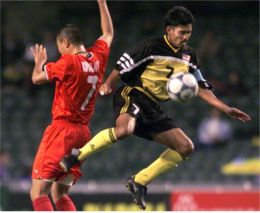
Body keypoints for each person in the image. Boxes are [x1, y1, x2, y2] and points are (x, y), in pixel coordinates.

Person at [60, 6, 251, 210]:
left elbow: (200, 87)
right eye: (182, 32)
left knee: (186, 147)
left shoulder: (190, 57)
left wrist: (225, 108)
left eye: (189, 32)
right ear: (169, 30)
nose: (186, 37)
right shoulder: (150, 47)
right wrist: (108, 83)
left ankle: (139, 181)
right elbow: (121, 65)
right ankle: (76, 156)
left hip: (153, 106)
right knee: (125, 130)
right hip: (133, 93)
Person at [30, 0, 113, 211]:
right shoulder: (98, 57)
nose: (60, 52)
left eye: (59, 47)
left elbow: (37, 78)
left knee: (38, 192)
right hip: (82, 134)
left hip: (62, 131)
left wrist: (39, 62)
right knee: (60, 191)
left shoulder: (68, 62)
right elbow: (108, 33)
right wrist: (102, 3)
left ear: (66, 43)